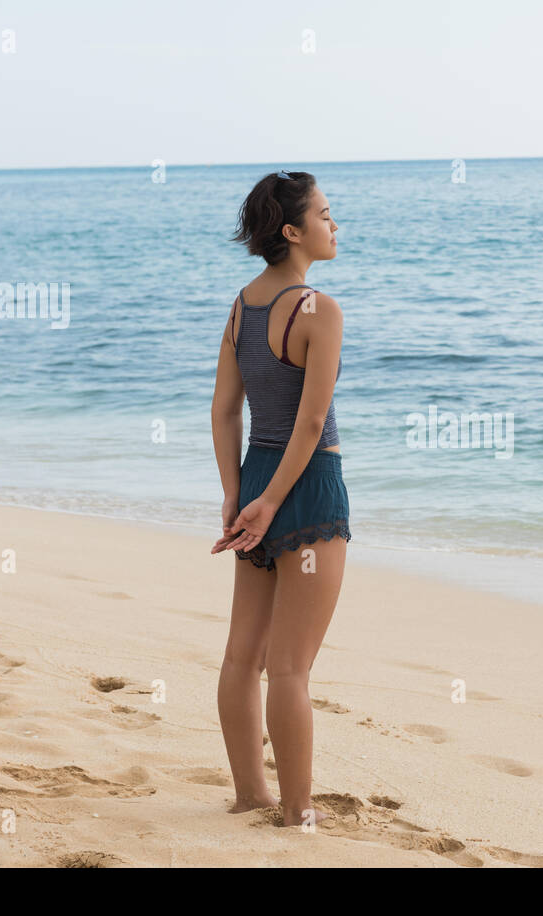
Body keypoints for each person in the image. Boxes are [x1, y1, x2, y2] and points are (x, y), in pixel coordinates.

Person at [209, 169, 350, 827]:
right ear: (292, 231)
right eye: (325, 214)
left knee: (243, 655)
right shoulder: (319, 310)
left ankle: (249, 793)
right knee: (290, 668)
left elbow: (224, 410)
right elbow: (313, 423)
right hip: (310, 487)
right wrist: (271, 502)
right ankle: (297, 812)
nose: (334, 224)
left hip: (257, 476)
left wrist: (239, 496)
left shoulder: (242, 306)